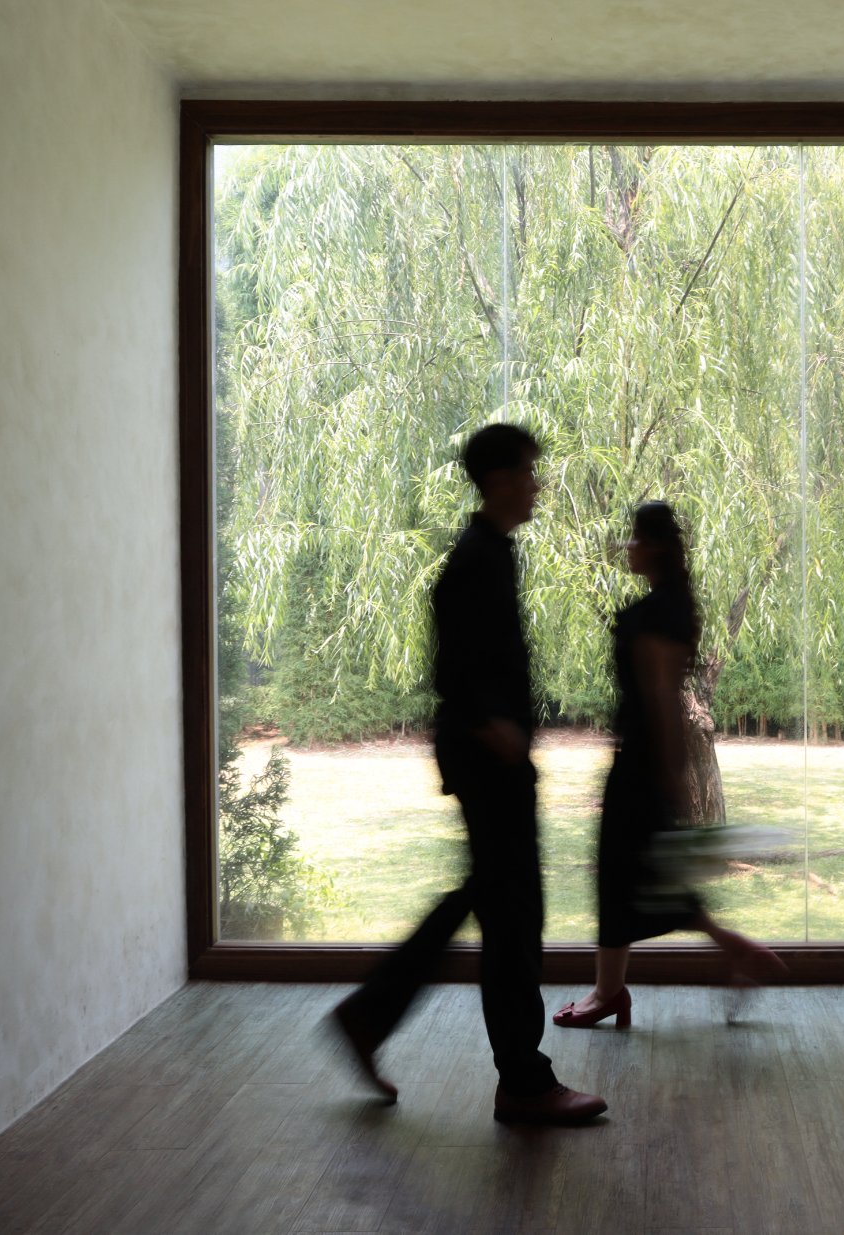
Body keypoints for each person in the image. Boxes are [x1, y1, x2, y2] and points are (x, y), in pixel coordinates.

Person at [329, 423, 606, 1125]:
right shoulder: (475, 561)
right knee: (513, 920)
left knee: (490, 902)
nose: (538, 485)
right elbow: (452, 670)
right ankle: (523, 1083)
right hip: (489, 761)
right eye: (529, 473)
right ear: (499, 480)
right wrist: (496, 729)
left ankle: (369, 1016)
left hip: (491, 760)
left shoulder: (492, 554)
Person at [552, 501, 786, 1030]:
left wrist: (668, 772)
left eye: (636, 537)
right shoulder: (670, 605)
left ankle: (610, 993)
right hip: (641, 760)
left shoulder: (659, 613)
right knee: (644, 876)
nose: (628, 546)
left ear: (656, 545)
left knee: (621, 875)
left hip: (640, 764)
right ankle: (727, 953)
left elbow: (661, 695)